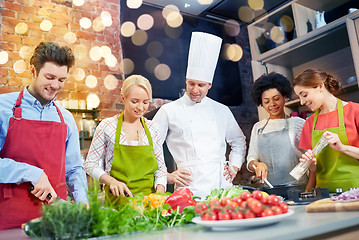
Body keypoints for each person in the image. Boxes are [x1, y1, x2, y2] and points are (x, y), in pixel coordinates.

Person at [0, 42, 88, 230]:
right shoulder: (3, 108)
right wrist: (31, 173)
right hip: (9, 218)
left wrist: (83, 202)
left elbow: (74, 169)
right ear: (33, 70)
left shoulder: (66, 118)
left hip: (56, 219)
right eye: (49, 77)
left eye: (61, 80)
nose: (55, 85)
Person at [153, 32, 246, 198]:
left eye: (201, 85)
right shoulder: (168, 110)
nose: (195, 90)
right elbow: (151, 146)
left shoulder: (222, 110)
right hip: (189, 188)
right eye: (191, 84)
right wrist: (165, 176)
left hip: (221, 186)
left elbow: (238, 140)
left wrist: (234, 166)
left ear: (209, 85)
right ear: (186, 81)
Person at [84, 75, 167, 201]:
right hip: (117, 203)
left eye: (145, 102)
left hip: (149, 205)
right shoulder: (107, 126)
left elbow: (161, 169)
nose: (140, 107)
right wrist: (111, 181)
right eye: (135, 101)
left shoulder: (153, 128)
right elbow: (90, 164)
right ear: (123, 98)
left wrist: (159, 195)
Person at [293, 68, 359, 192]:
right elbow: (313, 173)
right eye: (299, 97)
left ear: (320, 86)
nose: (302, 102)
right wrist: (311, 168)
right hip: (323, 194)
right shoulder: (309, 123)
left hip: (356, 191)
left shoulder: (355, 111)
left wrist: (343, 148)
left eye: (304, 95)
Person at [247, 72, 307, 186]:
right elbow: (251, 159)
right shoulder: (258, 128)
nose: (272, 104)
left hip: (299, 189)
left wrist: (310, 188)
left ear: (285, 97)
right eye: (266, 101)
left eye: (276, 98)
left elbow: (310, 160)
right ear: (261, 103)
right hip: (271, 191)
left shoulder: (297, 123)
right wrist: (256, 164)